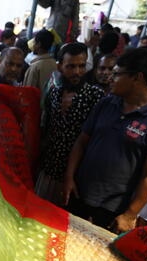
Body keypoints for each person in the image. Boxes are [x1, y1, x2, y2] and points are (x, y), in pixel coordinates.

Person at [63, 48, 147, 233]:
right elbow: (82, 141)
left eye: (118, 74)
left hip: (112, 210)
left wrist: (130, 215)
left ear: (138, 78)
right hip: (78, 195)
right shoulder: (107, 103)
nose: (111, 78)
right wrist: (69, 178)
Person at [35, 43, 104, 206]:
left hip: (76, 177)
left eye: (81, 66)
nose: (77, 72)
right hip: (48, 169)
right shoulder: (54, 92)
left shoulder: (96, 96)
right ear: (59, 67)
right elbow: (47, 128)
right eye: (71, 66)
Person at [23, 29, 57, 96]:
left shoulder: (35, 66)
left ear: (39, 44)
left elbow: (28, 92)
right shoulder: (54, 63)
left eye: (34, 42)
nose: (33, 45)